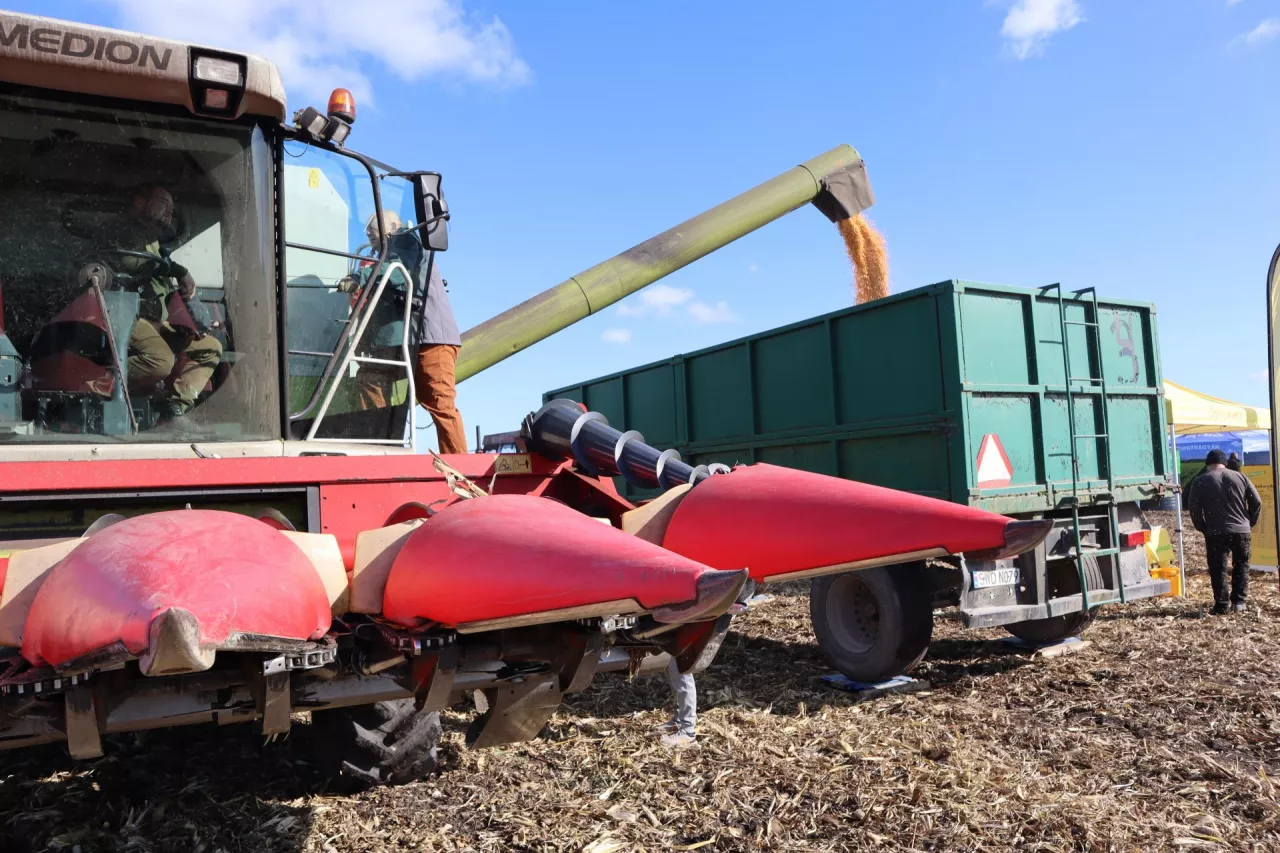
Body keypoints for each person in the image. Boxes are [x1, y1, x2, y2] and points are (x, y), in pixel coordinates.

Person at [338, 209, 466, 452]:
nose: (368, 236)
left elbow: (397, 272)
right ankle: (381, 449)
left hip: (430, 338)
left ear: (391, 228)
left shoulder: (409, 239)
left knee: (439, 401)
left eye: (373, 232)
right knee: (371, 378)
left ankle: (459, 467)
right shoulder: (384, 255)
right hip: (404, 340)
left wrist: (360, 276)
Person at [95, 185, 222, 423]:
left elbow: (162, 286)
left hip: (156, 321)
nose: (169, 214)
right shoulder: (120, 228)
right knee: (160, 360)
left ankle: (175, 409)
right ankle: (93, 380)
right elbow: (133, 262)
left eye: (172, 210)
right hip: (124, 313)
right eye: (164, 204)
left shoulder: (154, 242)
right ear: (140, 201)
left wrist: (188, 321)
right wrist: (180, 271)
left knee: (210, 348)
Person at [1187, 449, 1261, 614]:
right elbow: (1256, 501)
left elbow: (1194, 508)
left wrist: (1202, 527)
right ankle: (1239, 602)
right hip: (1242, 530)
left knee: (1218, 568)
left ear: (1207, 464)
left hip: (1215, 531)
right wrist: (1249, 522)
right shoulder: (1240, 477)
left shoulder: (1200, 481)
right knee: (1241, 565)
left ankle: (1222, 605)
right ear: (1225, 463)